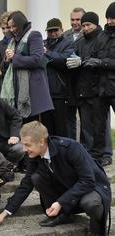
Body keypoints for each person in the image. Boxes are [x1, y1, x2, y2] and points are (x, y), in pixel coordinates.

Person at [0, 121, 111, 236]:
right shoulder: (33, 155)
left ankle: (99, 230)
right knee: (35, 178)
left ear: (41, 141)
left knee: (91, 203)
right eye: (23, 144)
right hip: (68, 187)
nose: (24, 149)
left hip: (92, 188)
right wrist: (5, 213)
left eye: (27, 145)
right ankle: (62, 216)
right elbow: (26, 185)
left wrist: (60, 202)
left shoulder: (71, 148)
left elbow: (88, 181)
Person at [0, 11, 54, 121]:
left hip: (32, 90)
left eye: (14, 26)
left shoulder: (34, 35)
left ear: (21, 23)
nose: (12, 29)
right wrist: (7, 59)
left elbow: (36, 59)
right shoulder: (13, 40)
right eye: (9, 27)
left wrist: (14, 57)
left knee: (32, 127)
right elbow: (6, 65)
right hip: (16, 89)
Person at [66, 12, 103, 157]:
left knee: (98, 126)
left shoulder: (102, 39)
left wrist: (82, 60)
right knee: (86, 126)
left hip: (98, 89)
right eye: (84, 25)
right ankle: (88, 154)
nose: (85, 28)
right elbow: (71, 56)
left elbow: (100, 59)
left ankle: (101, 154)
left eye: (88, 25)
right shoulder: (80, 41)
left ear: (95, 24)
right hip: (83, 89)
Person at [88, 2, 115, 165]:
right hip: (100, 88)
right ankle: (101, 156)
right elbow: (93, 56)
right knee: (98, 124)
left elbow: (102, 61)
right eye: (109, 18)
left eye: (113, 18)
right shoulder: (101, 36)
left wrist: (101, 62)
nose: (111, 21)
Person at [43, 18, 75, 137]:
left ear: (62, 29)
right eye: (49, 31)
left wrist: (47, 53)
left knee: (62, 130)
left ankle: (64, 155)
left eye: (55, 30)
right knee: (48, 131)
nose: (52, 33)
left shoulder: (69, 43)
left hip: (61, 94)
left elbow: (66, 61)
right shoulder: (43, 43)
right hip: (45, 94)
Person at [63, 7, 85, 141]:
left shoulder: (89, 34)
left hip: (84, 82)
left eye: (78, 19)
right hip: (69, 83)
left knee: (86, 120)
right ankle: (72, 146)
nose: (75, 22)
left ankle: (85, 149)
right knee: (69, 119)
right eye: (72, 19)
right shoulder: (65, 35)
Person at [0, 11, 11, 94]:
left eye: (7, 27)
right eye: (3, 28)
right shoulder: (0, 44)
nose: (5, 31)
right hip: (4, 82)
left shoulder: (20, 41)